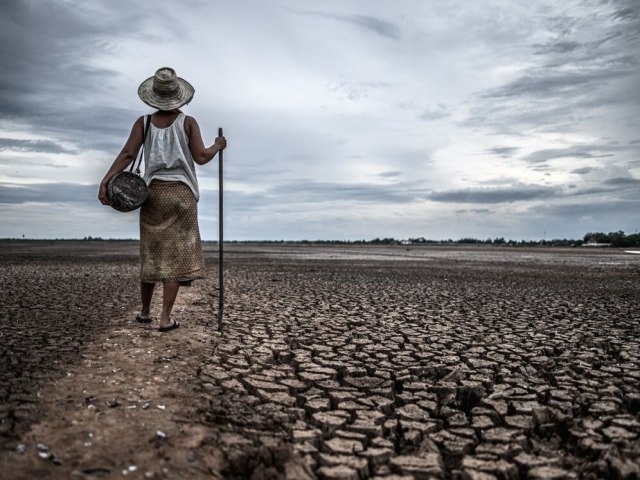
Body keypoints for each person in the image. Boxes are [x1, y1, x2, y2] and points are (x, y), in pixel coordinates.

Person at [98, 67, 226, 332]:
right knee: (176, 257)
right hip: (182, 195)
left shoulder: (143, 123)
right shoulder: (187, 122)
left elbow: (126, 155)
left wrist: (106, 180)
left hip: (152, 193)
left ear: (153, 96)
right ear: (179, 96)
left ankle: (145, 312)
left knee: (151, 253)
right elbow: (201, 157)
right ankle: (165, 318)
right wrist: (218, 146)